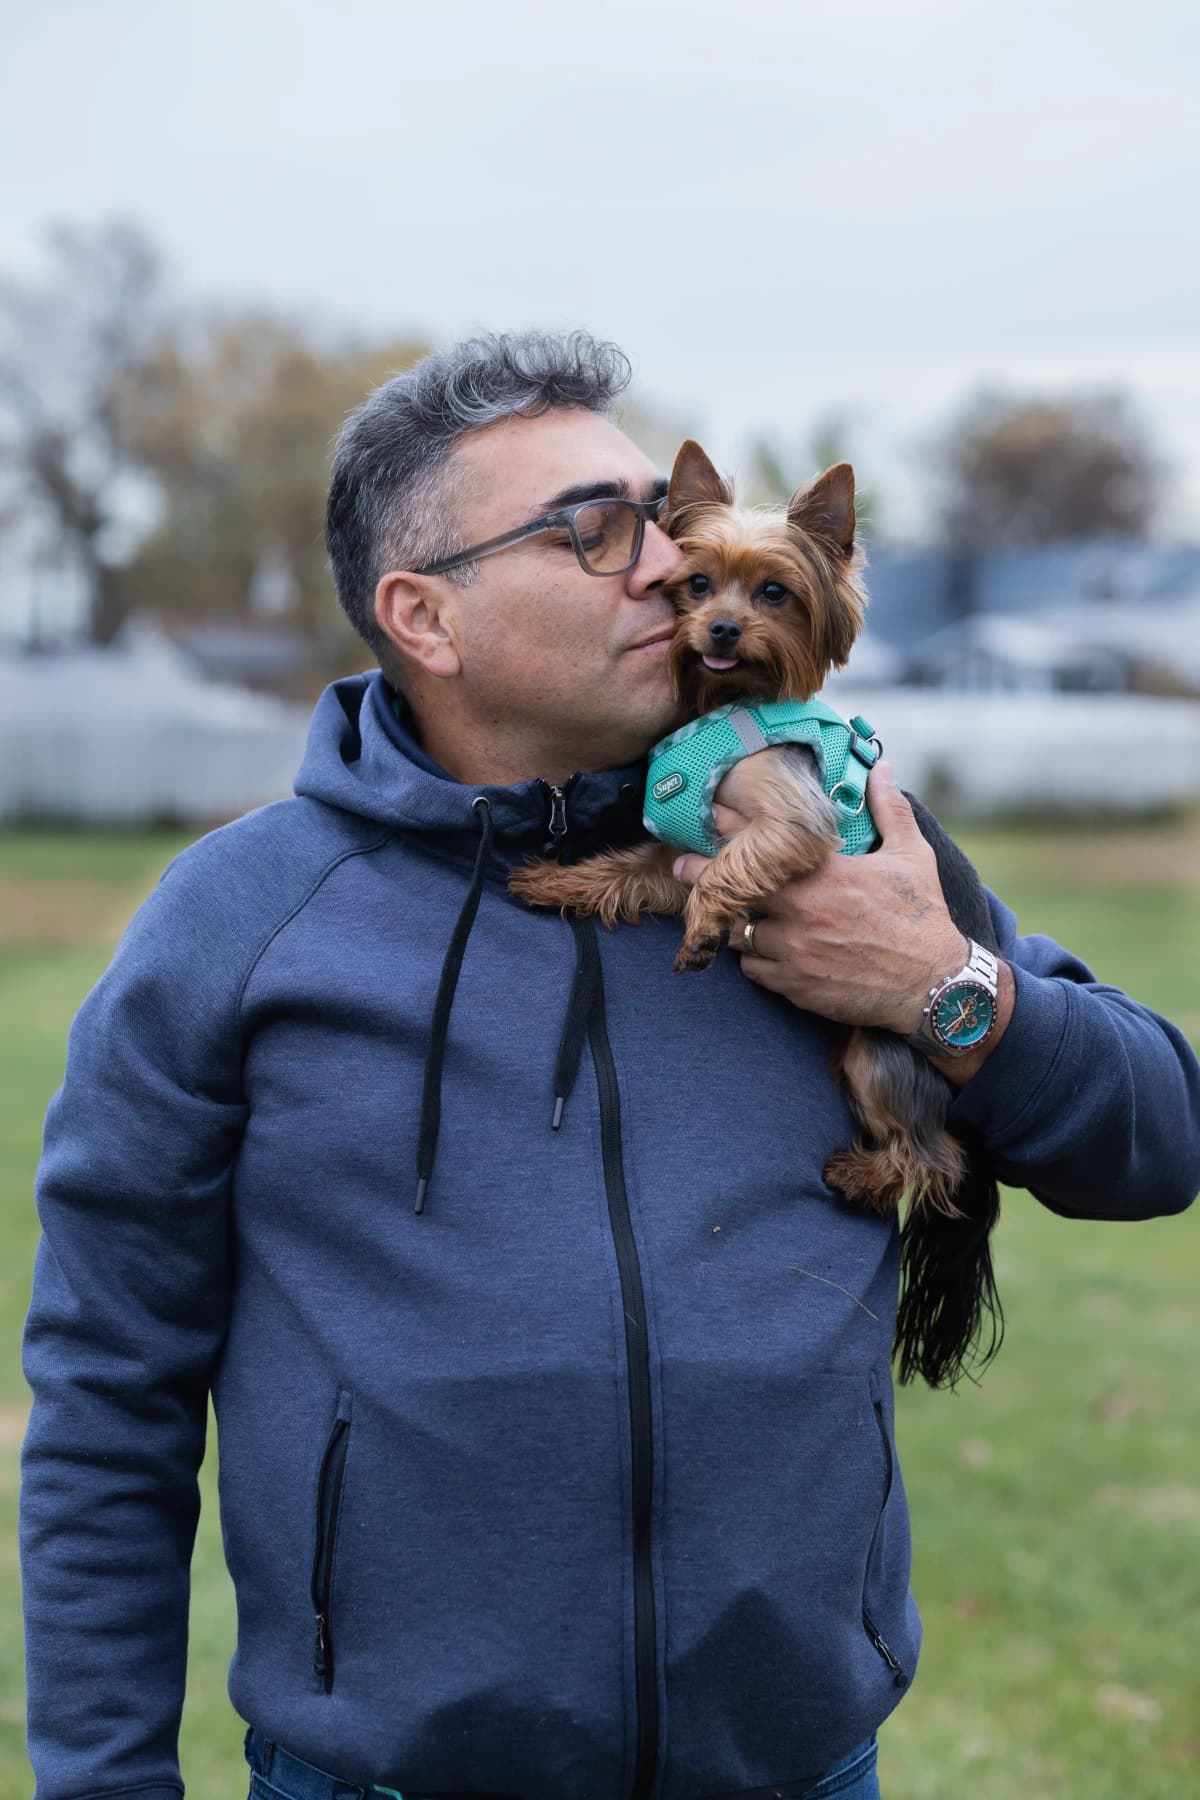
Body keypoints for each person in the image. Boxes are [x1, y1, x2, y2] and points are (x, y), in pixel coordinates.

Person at [20, 330, 1200, 1800]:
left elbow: (1160, 1139)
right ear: (424, 617)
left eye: (658, 513)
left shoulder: (856, 848)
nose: (664, 566)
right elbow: (105, 1400)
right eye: (596, 531)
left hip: (797, 1769)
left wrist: (939, 983)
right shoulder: (240, 921)